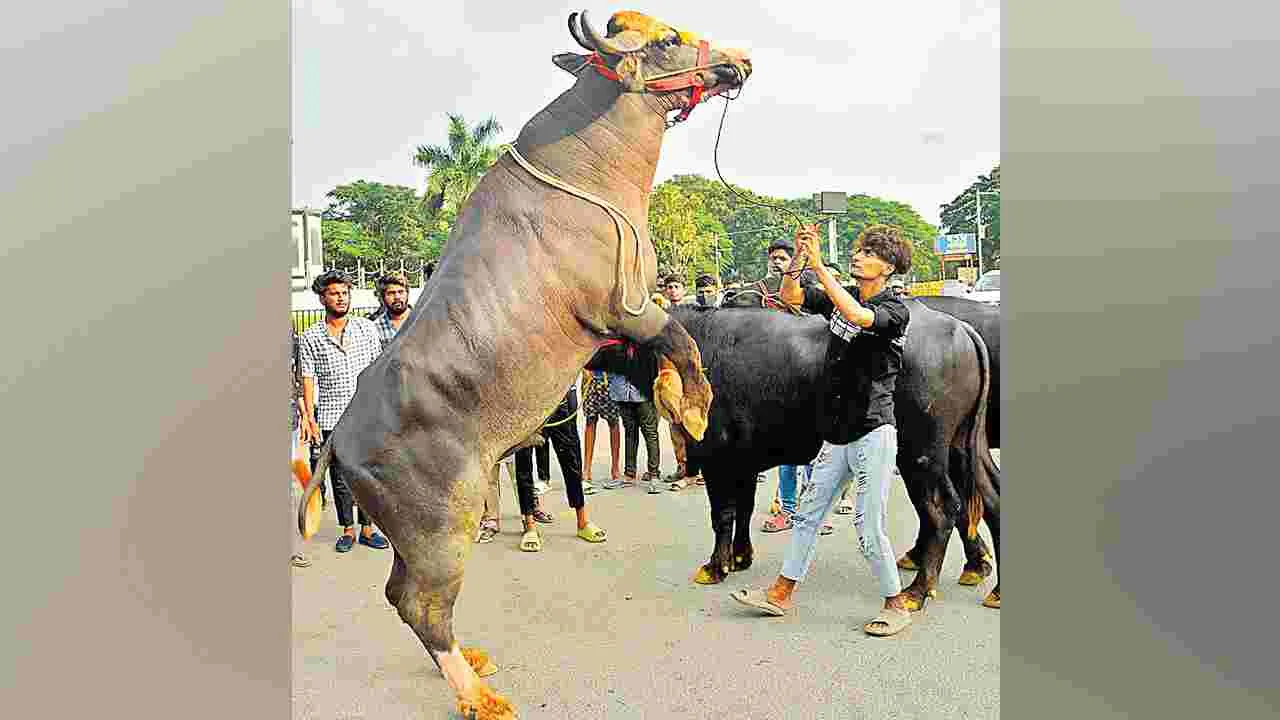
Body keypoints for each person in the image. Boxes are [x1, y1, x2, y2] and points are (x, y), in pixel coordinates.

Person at [731, 223, 917, 637]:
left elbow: (857, 315)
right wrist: (800, 257)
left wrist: (820, 265)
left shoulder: (893, 310)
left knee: (869, 527)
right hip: (837, 433)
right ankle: (779, 593)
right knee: (806, 517)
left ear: (887, 267)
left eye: (868, 253)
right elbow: (789, 296)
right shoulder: (840, 298)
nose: (857, 256)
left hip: (873, 432)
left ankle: (896, 602)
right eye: (858, 250)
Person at [298, 270, 391, 554]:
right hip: (331, 415)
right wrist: (310, 417)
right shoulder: (310, 336)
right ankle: (347, 529)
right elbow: (308, 378)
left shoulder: (367, 328)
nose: (341, 298)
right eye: (335, 293)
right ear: (322, 298)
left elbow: (379, 368)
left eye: (345, 293)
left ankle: (367, 528)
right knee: (340, 477)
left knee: (369, 473)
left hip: (366, 413)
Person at [512, 384, 608, 552]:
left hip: (560, 398)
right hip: (527, 401)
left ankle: (582, 522)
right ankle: (529, 525)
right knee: (524, 462)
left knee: (571, 459)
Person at [608, 349, 662, 493]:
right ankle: (629, 474)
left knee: (650, 434)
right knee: (630, 433)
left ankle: (654, 475)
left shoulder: (644, 338)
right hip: (621, 392)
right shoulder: (616, 339)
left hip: (643, 394)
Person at [580, 363, 621, 493]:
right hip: (591, 381)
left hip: (611, 381)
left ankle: (615, 468)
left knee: (613, 422)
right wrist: (584, 369)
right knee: (590, 421)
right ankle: (586, 469)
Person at [373, 271, 413, 350]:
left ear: (407, 293)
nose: (397, 297)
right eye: (391, 293)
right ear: (382, 297)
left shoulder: (421, 319)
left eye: (401, 292)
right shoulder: (376, 328)